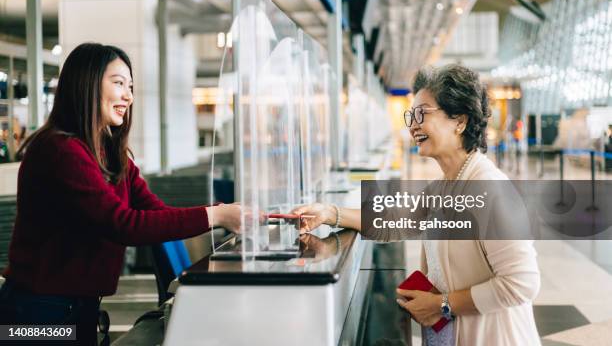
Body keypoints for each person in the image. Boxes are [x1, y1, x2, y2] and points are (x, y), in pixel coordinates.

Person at [0, 43, 241, 345]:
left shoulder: (111, 152)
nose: (128, 95)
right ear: (87, 84)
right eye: (118, 83)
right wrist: (217, 215)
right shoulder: (60, 150)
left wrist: (222, 214)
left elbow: (154, 211)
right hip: (36, 315)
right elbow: (122, 224)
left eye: (130, 86)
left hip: (76, 308)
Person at [294, 64, 541, 346]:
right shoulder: (445, 186)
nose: (412, 125)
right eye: (411, 115)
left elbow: (522, 283)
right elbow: (393, 222)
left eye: (422, 114)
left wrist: (443, 304)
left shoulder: (489, 188)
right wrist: (330, 213)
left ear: (459, 121)